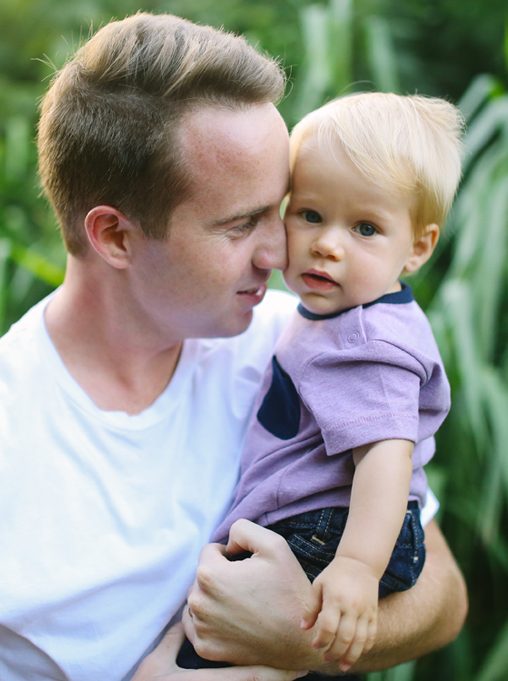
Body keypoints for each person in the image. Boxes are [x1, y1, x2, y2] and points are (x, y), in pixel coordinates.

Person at [0, 13, 466, 680]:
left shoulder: (301, 340)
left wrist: (301, 642)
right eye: (242, 224)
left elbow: (442, 593)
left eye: (282, 209)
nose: (280, 251)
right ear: (115, 236)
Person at [178, 93, 463, 673]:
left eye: (364, 227)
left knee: (209, 651)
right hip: (323, 523)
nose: (328, 243)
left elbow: (387, 457)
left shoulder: (367, 342)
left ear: (417, 247)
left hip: (330, 530)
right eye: (310, 214)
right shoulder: (340, 320)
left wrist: (356, 568)